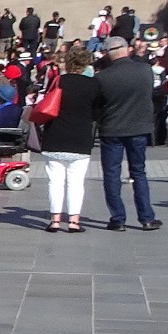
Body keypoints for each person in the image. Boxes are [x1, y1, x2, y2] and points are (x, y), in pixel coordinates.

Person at [95, 36, 162, 231]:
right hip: (138, 128)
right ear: (127, 50)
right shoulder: (145, 70)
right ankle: (147, 218)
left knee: (112, 174)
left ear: (108, 54)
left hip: (111, 129)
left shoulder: (102, 77)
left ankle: (118, 219)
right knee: (139, 172)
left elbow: (97, 106)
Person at [40, 45, 102, 232]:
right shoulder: (93, 84)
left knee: (55, 181)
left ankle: (55, 220)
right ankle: (74, 221)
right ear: (86, 64)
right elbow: (97, 113)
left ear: (67, 62)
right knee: (76, 182)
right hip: (80, 137)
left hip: (55, 135)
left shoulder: (58, 80)